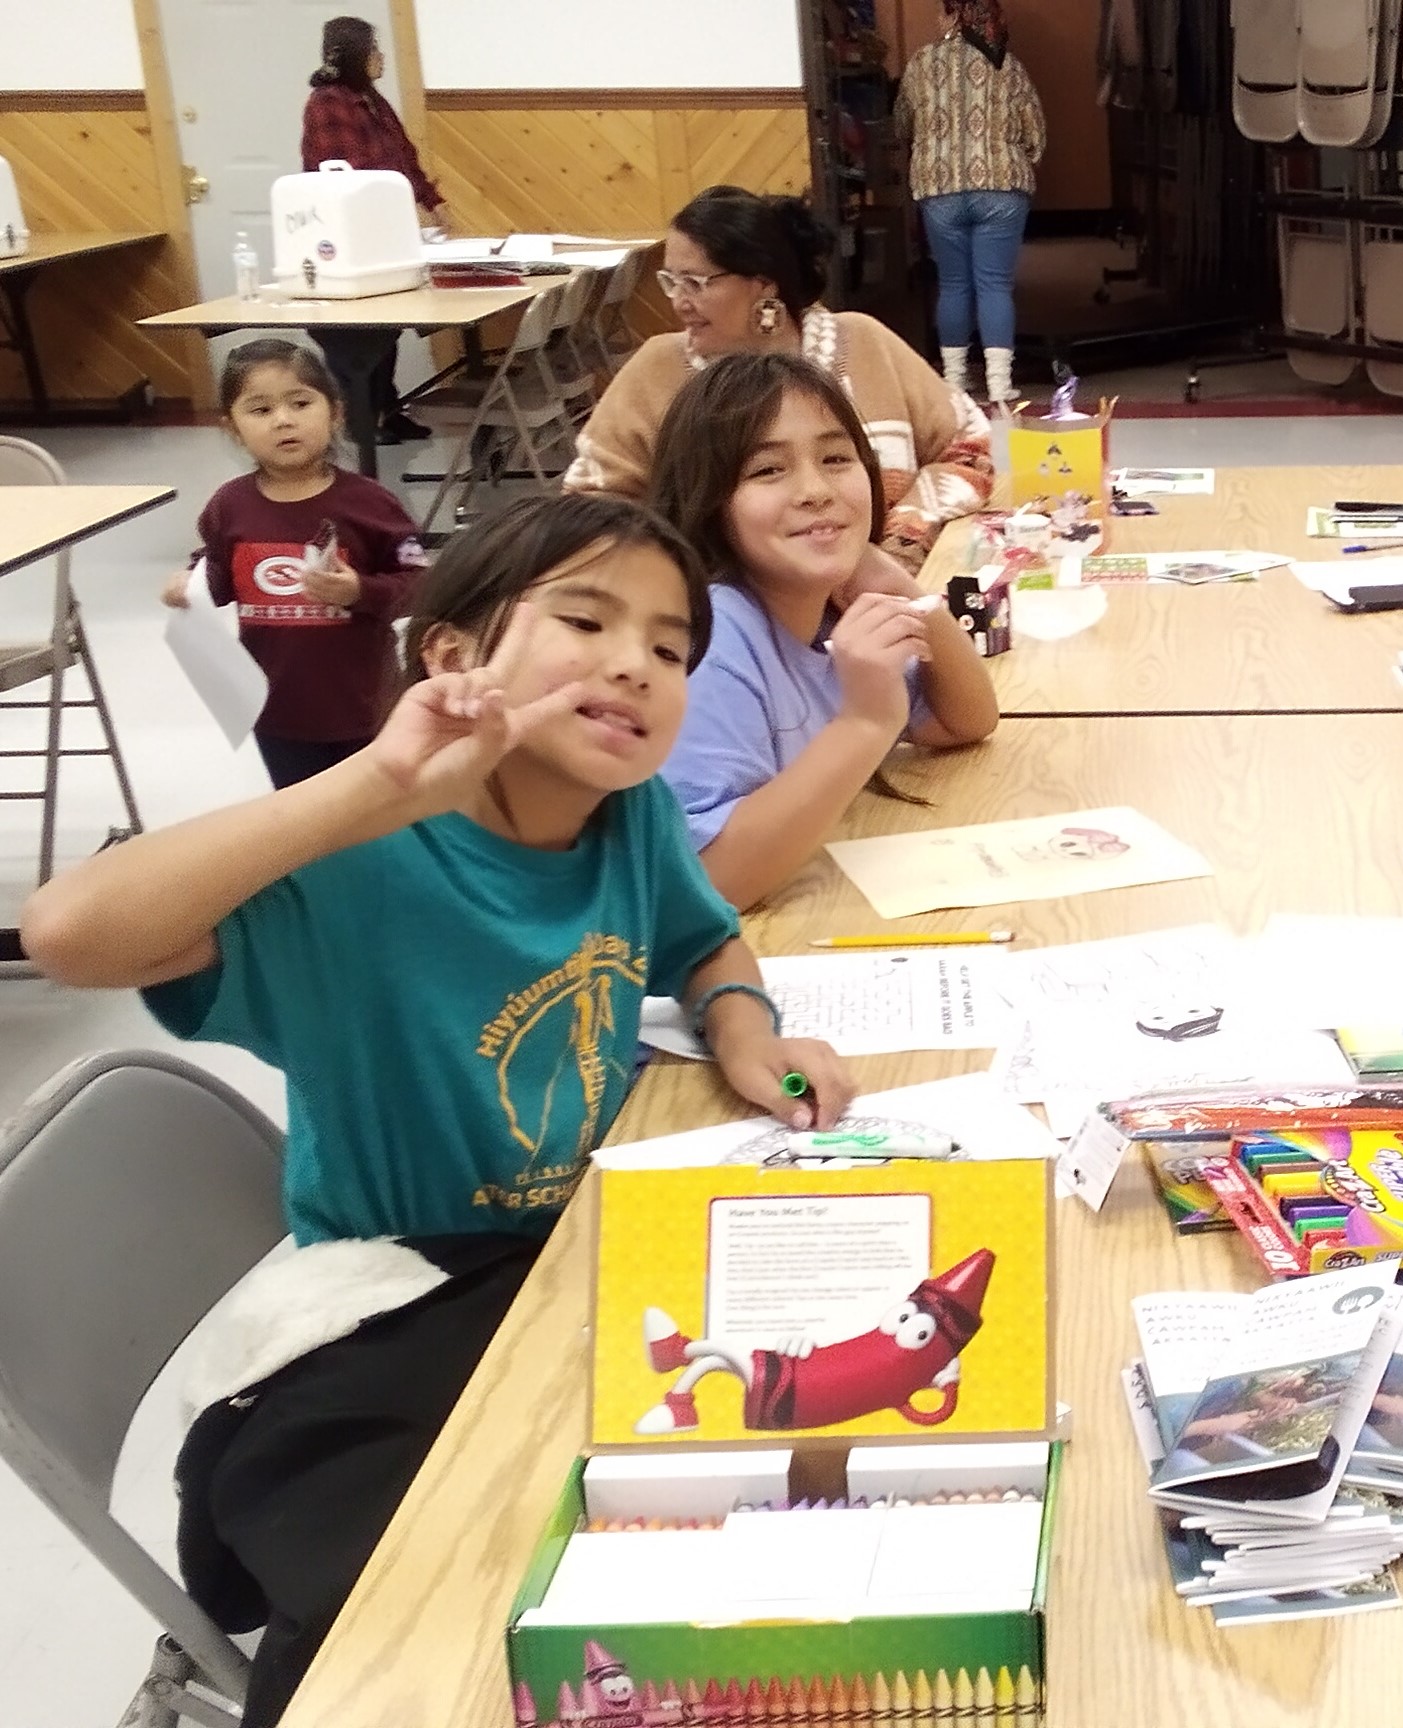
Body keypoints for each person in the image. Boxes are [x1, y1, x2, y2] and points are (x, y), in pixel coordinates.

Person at [22, 491, 859, 1728]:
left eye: (672, 648)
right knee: (454, 1633)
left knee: (810, 1494)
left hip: (569, 1274)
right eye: (585, 618)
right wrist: (374, 786)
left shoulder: (623, 822)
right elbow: (68, 934)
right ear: (454, 655)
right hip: (401, 1309)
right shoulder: (353, 859)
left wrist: (740, 1019)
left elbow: (703, 936)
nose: (635, 661)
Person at [650, 351, 998, 910]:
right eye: (767, 470)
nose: (816, 489)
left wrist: (908, 595)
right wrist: (864, 723)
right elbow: (702, 886)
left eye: (836, 458)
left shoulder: (824, 616)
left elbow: (966, 720)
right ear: (709, 501)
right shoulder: (715, 640)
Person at [566, 186, 992, 561]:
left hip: (888, 595)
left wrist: (906, 536)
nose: (679, 302)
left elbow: (973, 447)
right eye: (671, 281)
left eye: (697, 282)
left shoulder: (862, 342)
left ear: (764, 283)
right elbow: (588, 507)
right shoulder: (656, 370)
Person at [159, 339, 428, 788]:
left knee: (373, 817)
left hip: (364, 705)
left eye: (300, 403)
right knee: (302, 817)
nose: (284, 420)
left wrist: (361, 591)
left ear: (335, 412)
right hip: (276, 709)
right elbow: (218, 578)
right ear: (232, 428)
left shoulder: (370, 503)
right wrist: (188, 585)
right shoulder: (230, 506)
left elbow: (421, 585)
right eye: (260, 410)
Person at [299, 15, 444, 445]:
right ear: (356, 56)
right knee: (358, 333)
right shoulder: (327, 103)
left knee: (387, 327)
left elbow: (404, 155)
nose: (381, 58)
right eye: (374, 50)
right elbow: (347, 174)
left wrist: (432, 202)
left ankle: (388, 408)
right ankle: (362, 418)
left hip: (384, 230)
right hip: (347, 235)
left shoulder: (373, 100)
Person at [897, 0, 1045, 409]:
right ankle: (999, 387)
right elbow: (1035, 133)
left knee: (954, 284)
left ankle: (954, 384)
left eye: (942, 12)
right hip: (1000, 186)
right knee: (994, 285)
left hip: (939, 186)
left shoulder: (921, 63)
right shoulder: (1008, 66)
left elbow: (901, 125)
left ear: (953, 17)